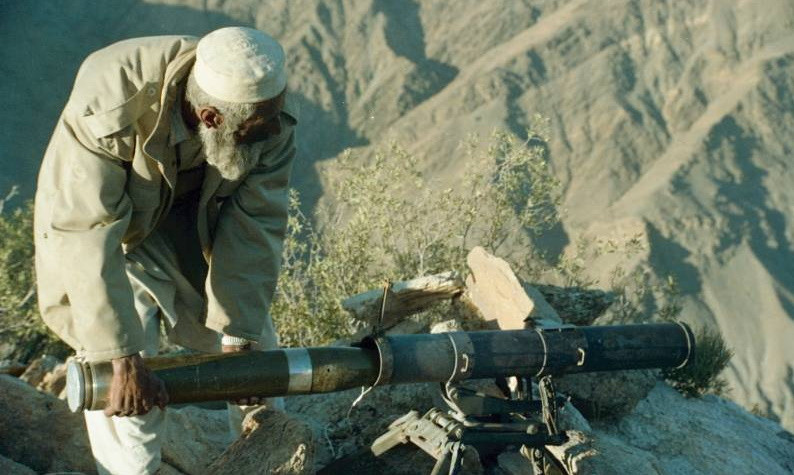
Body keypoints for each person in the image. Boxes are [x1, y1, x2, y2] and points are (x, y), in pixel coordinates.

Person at [33, 26, 297, 474]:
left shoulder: (269, 114)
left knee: (257, 358)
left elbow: (255, 225)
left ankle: (265, 462)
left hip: (186, 223)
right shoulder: (111, 102)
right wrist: (120, 355)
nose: (275, 129)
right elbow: (88, 230)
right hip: (103, 230)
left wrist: (238, 338)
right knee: (121, 380)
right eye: (259, 127)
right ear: (211, 118)